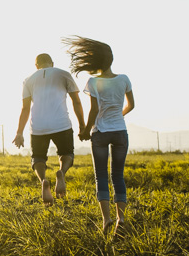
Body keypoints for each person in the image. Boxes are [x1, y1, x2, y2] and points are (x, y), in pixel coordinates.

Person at [62, 36, 135, 235]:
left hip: (100, 133)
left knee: (101, 177)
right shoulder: (124, 79)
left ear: (96, 62)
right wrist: (117, 117)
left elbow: (94, 110)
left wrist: (85, 130)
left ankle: (107, 220)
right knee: (118, 176)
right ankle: (121, 218)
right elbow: (131, 105)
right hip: (120, 132)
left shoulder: (93, 82)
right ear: (111, 60)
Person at [13, 53, 86, 207]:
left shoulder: (28, 80)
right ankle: (61, 172)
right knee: (66, 154)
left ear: (36, 66)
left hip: (38, 126)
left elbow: (25, 108)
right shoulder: (64, 74)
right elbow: (76, 102)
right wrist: (82, 125)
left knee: (38, 158)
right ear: (52, 63)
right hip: (61, 124)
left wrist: (19, 133)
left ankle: (43, 180)